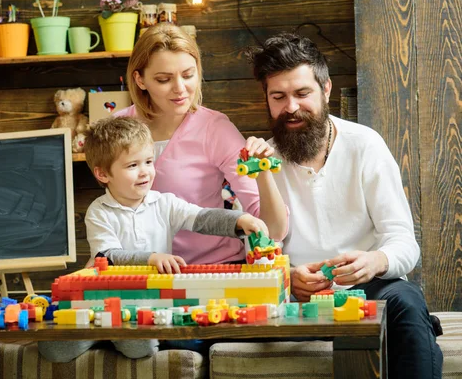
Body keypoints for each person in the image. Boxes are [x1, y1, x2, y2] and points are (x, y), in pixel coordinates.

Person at [246, 32, 442, 378]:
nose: (290, 107)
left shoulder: (365, 145)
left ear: (326, 90)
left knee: (407, 299)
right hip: (296, 299)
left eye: (302, 93)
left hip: (369, 288)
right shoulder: (263, 160)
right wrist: (287, 278)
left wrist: (374, 260)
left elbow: (403, 241)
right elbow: (260, 247)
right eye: (278, 96)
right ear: (267, 98)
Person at [38, 116, 270, 363]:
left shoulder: (164, 203)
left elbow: (201, 217)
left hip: (149, 301)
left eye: (148, 161)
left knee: (142, 347)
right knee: (54, 349)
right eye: (132, 166)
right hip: (106, 298)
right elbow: (107, 256)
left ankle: (114, 331)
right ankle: (101, 329)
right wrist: (151, 258)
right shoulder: (100, 211)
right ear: (103, 173)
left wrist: (239, 220)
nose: (145, 172)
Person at [115, 23, 288, 265]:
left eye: (188, 75)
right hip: (141, 271)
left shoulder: (214, 128)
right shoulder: (117, 127)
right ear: (140, 80)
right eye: (164, 79)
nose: (180, 88)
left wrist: (263, 173)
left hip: (213, 269)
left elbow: (274, 229)